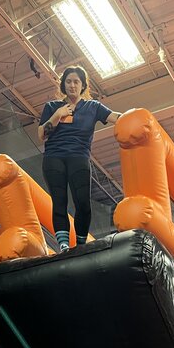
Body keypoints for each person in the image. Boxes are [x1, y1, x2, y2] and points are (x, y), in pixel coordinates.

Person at [38, 65, 120, 252]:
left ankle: (81, 244)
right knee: (59, 201)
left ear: (83, 85)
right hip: (54, 157)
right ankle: (64, 245)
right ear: (63, 85)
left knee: (83, 203)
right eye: (68, 81)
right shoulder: (52, 107)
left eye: (76, 82)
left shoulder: (93, 107)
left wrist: (136, 115)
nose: (72, 85)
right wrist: (57, 116)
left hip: (79, 156)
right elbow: (41, 134)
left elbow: (116, 117)